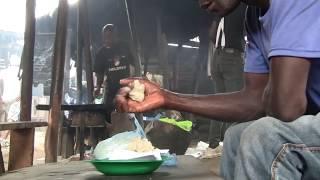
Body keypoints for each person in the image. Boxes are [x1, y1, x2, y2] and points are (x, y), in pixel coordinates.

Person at [115, 0, 320, 179]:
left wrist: (270, 94)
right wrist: (166, 97)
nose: (202, 3)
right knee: (235, 136)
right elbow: (254, 98)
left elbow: (286, 108)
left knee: (263, 138)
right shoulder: (254, 17)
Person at [207, 4, 246, 149]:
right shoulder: (242, 7)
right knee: (234, 102)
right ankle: (232, 146)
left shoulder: (220, 10)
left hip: (217, 57)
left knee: (219, 100)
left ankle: (213, 143)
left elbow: (211, 35)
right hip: (231, 56)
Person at [94, 24, 134, 121]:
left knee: (126, 112)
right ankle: (109, 130)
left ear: (116, 35)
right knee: (108, 111)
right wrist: (98, 87)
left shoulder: (125, 47)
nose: (108, 38)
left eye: (111, 35)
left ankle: (127, 131)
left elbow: (134, 64)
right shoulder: (101, 53)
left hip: (125, 87)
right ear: (103, 37)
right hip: (110, 88)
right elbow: (99, 73)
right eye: (106, 36)